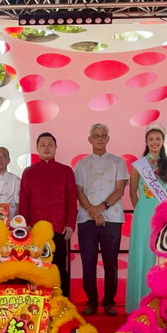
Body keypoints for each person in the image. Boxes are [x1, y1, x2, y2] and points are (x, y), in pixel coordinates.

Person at [74, 123, 128, 316]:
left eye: (102, 135)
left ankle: (109, 302)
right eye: (95, 135)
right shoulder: (81, 164)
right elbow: (78, 191)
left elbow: (120, 189)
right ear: (89, 140)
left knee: (110, 261)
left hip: (112, 217)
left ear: (107, 139)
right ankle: (91, 302)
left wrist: (100, 209)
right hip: (85, 219)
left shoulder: (118, 162)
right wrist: (92, 211)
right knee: (88, 261)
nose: (99, 138)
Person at [19, 132, 77, 303]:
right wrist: (25, 225)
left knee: (59, 266)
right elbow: (24, 201)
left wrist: (70, 224)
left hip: (59, 227)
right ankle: (37, 301)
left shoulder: (66, 171)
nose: (46, 147)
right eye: (42, 144)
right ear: (37, 148)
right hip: (35, 229)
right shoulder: (29, 173)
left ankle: (63, 302)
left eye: (50, 144)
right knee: (35, 266)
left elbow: (71, 200)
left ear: (56, 148)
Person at [126, 126, 167, 313]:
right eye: (151, 139)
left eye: (158, 139)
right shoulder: (138, 165)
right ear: (146, 142)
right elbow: (132, 192)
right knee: (141, 252)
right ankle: (137, 303)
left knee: (160, 254)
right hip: (142, 214)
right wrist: (142, 209)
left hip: (161, 213)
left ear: (163, 142)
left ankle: (159, 304)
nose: (155, 142)